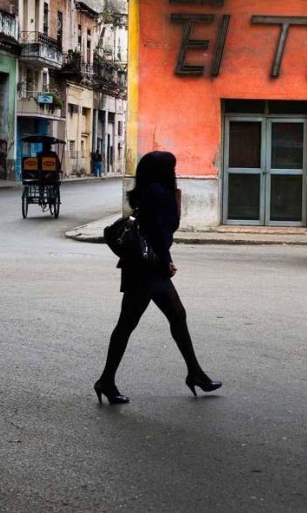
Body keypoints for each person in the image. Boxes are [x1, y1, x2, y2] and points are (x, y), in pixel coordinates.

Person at [94, 151, 221, 404]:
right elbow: (156, 235)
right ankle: (107, 380)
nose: (175, 171)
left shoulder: (150, 191)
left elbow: (156, 233)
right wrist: (167, 263)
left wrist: (164, 261)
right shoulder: (158, 193)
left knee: (172, 317)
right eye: (172, 167)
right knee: (131, 323)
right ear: (163, 171)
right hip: (146, 270)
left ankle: (194, 373)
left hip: (144, 266)